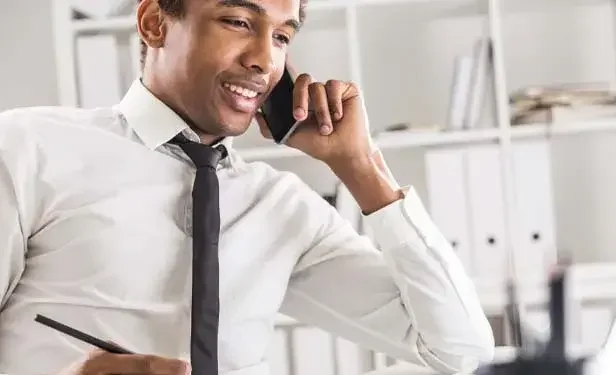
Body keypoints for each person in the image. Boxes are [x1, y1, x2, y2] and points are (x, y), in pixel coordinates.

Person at [0, 0, 495, 374]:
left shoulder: (282, 210)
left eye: (281, 36)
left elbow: (456, 349)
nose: (264, 60)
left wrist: (361, 166)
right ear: (154, 22)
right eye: (238, 21)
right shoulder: (29, 148)